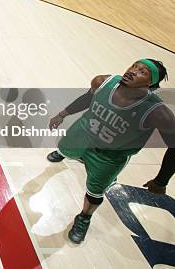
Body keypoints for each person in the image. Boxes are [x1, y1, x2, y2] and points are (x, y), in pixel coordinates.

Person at [46, 59, 174, 244]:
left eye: (142, 72)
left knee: (94, 192)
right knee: (64, 147)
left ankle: (84, 217)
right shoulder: (103, 81)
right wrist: (62, 114)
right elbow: (87, 98)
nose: (132, 71)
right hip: (82, 134)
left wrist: (161, 181)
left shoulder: (157, 112)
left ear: (150, 83)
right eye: (133, 66)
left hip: (109, 156)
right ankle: (66, 153)